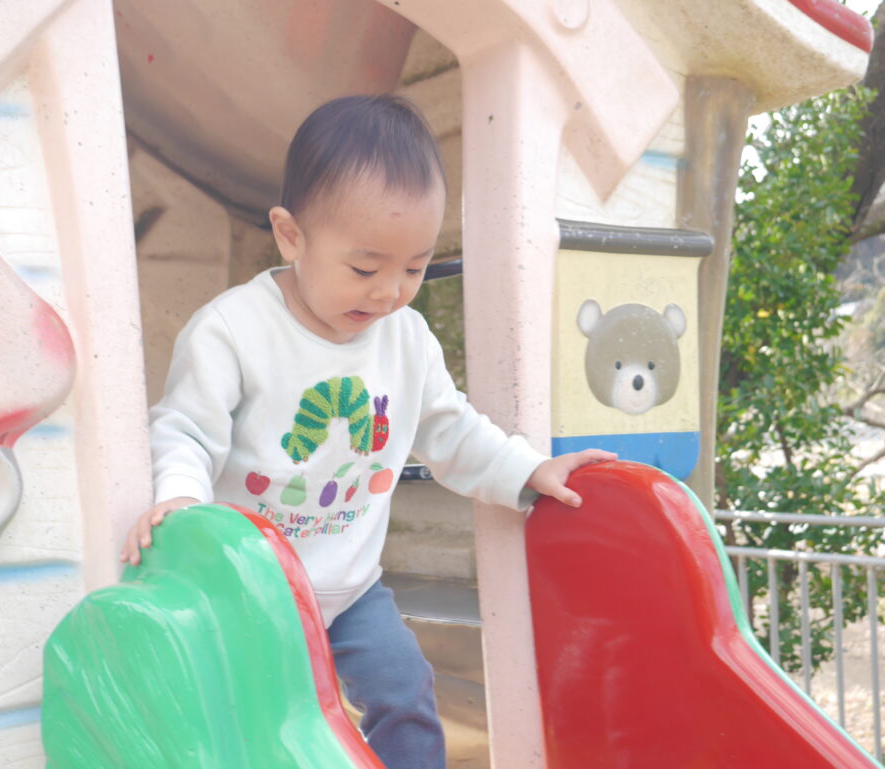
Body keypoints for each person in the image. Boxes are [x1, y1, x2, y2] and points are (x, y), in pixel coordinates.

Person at [120, 94, 615, 769]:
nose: (389, 292)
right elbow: (185, 429)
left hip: (350, 589)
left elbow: (450, 429)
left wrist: (527, 470)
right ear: (291, 236)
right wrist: (179, 498)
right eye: (364, 268)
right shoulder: (232, 330)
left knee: (406, 690)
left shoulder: (406, 339)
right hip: (246, 592)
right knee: (259, 722)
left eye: (414, 268)